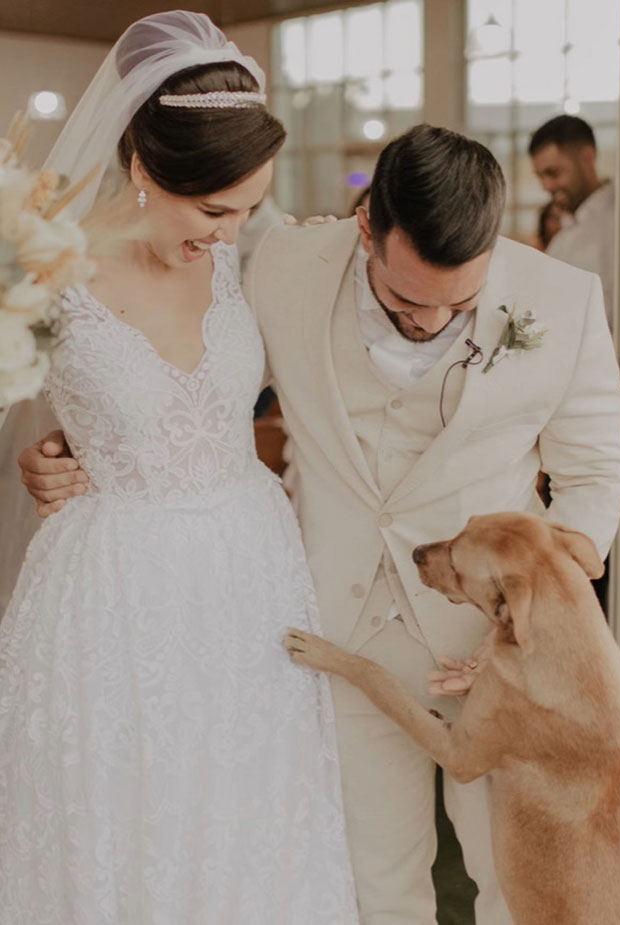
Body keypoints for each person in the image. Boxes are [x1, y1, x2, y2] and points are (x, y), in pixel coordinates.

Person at [20, 124, 620, 924]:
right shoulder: (282, 264)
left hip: (497, 653)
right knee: (377, 886)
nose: (430, 321)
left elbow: (594, 480)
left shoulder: (565, 297)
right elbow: (194, 388)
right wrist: (77, 444)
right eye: (406, 300)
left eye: (458, 304)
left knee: (518, 888)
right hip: (337, 634)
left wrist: (529, 626)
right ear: (367, 226)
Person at [0, 12, 358, 924]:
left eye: (247, 209)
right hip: (112, 591)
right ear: (147, 172)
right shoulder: (48, 272)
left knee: (250, 810)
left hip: (250, 572)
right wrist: (37, 450)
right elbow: (21, 398)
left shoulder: (246, 260)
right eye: (214, 211)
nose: (231, 233)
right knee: (123, 816)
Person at [528, 114, 616, 329]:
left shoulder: (619, 221)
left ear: (587, 158)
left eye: (553, 173)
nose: (546, 186)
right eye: (541, 177)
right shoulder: (563, 235)